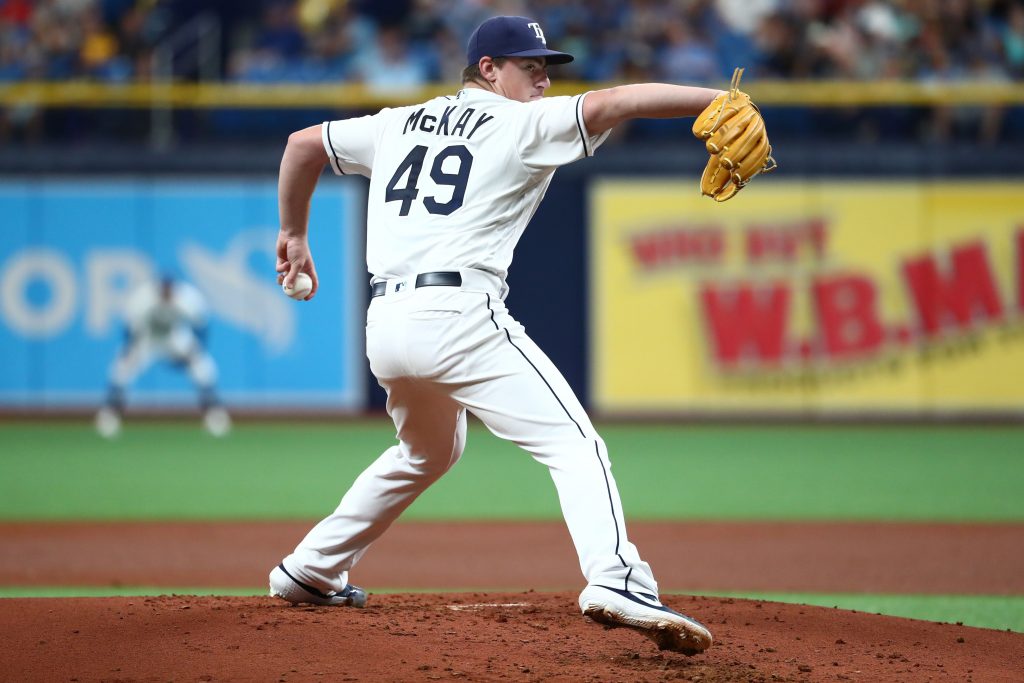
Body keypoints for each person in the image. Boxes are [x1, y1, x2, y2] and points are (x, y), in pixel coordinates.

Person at [269, 15, 723, 655]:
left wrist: (293, 233)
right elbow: (619, 101)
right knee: (574, 443)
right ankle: (619, 580)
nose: (542, 78)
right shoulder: (521, 123)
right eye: (529, 66)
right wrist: (720, 100)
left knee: (427, 452)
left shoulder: (396, 122)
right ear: (488, 69)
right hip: (459, 315)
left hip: (387, 326)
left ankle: (311, 568)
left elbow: (300, 145)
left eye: (546, 67)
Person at [95, 275, 231, 438]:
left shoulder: (188, 298)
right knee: (121, 367)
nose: (166, 295)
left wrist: (195, 350)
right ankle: (110, 415)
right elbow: (128, 328)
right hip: (147, 339)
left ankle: (214, 414)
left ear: (175, 290)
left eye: (169, 291)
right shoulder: (143, 298)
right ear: (158, 290)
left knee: (202, 365)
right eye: (163, 291)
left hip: (174, 338)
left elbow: (201, 326)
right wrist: (129, 351)